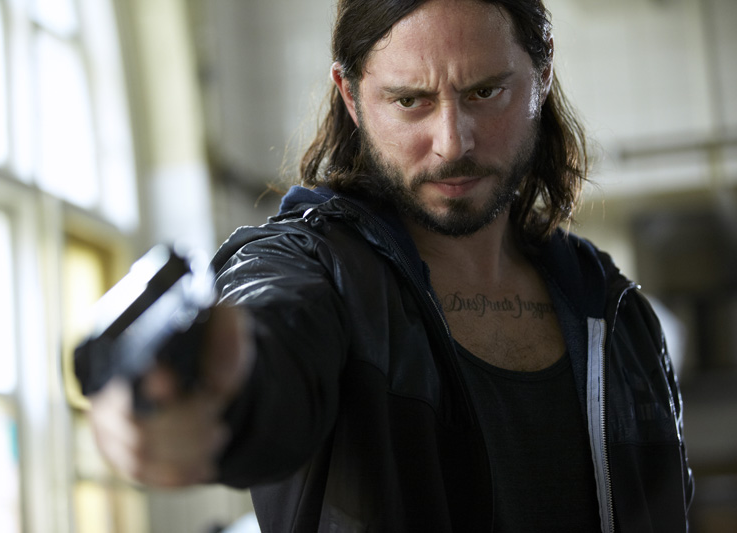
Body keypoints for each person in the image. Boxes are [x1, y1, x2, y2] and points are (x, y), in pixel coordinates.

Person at [89, 0, 694, 531]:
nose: (453, 142)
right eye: (410, 101)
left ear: (542, 72)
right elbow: (272, 342)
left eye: (485, 92)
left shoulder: (615, 312)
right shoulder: (315, 271)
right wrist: (214, 399)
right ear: (351, 96)